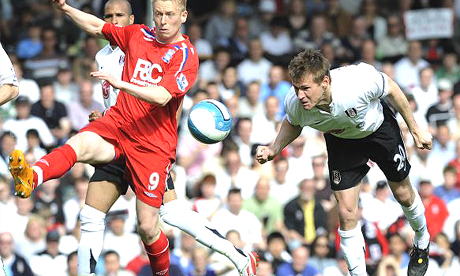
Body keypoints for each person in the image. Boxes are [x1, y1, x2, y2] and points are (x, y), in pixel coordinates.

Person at [10, 1, 258, 276]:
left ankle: (234, 258)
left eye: (169, 15)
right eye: (159, 14)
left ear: (184, 16)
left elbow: (163, 96)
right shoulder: (137, 35)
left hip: (151, 145)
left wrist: (122, 83)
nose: (163, 21)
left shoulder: (185, 55)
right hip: (117, 125)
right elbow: (95, 26)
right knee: (84, 182)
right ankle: (31, 177)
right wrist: (66, 7)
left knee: (150, 226)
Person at [256, 49, 433, 276]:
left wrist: (415, 130)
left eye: (306, 88)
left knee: (403, 194)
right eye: (296, 88)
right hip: (342, 142)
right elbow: (293, 122)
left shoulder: (357, 81)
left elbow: (392, 89)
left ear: (325, 81)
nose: (300, 95)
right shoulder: (296, 102)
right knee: (347, 212)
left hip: (378, 129)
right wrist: (274, 148)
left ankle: (422, 240)